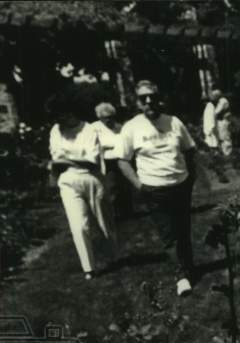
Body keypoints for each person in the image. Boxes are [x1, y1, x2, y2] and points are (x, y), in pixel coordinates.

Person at [117, 80, 198, 297]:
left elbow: (189, 149)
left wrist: (191, 176)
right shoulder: (131, 128)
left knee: (183, 230)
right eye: (144, 98)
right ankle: (182, 277)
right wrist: (139, 185)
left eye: (152, 96)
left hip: (180, 185)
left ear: (159, 97)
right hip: (154, 189)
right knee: (168, 233)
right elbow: (123, 161)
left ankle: (189, 268)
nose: (149, 101)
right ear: (138, 102)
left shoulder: (174, 122)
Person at [48, 88, 116, 280]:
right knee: (79, 226)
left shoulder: (89, 129)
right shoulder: (56, 130)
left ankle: (112, 257)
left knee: (105, 223)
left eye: (64, 113)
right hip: (68, 181)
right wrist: (72, 159)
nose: (61, 118)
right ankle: (89, 268)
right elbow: (55, 157)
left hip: (92, 178)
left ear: (73, 111)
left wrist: (65, 159)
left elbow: (91, 160)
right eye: (58, 115)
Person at [93, 102, 131, 219]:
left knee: (125, 186)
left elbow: (125, 142)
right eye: (105, 118)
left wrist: (112, 145)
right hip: (106, 161)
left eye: (110, 117)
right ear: (99, 117)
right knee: (111, 186)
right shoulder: (94, 128)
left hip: (121, 159)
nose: (108, 120)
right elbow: (95, 145)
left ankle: (127, 211)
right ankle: (113, 214)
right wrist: (108, 145)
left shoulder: (119, 127)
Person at [212, 88, 232, 157]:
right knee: (221, 137)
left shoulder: (223, 101)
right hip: (221, 121)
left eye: (214, 96)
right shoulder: (220, 101)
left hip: (224, 121)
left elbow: (217, 112)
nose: (213, 97)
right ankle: (224, 153)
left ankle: (227, 154)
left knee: (225, 137)